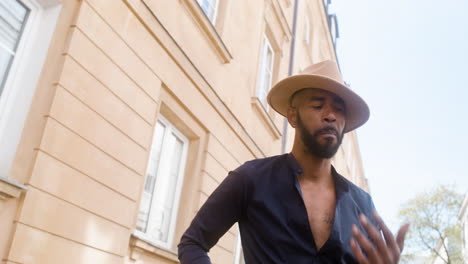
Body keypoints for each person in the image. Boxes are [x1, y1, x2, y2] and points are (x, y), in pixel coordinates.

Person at [178, 60, 410, 263]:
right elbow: (192, 244)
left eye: (339, 110)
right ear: (292, 116)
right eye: (318, 105)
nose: (330, 115)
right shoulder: (251, 179)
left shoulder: (363, 204)